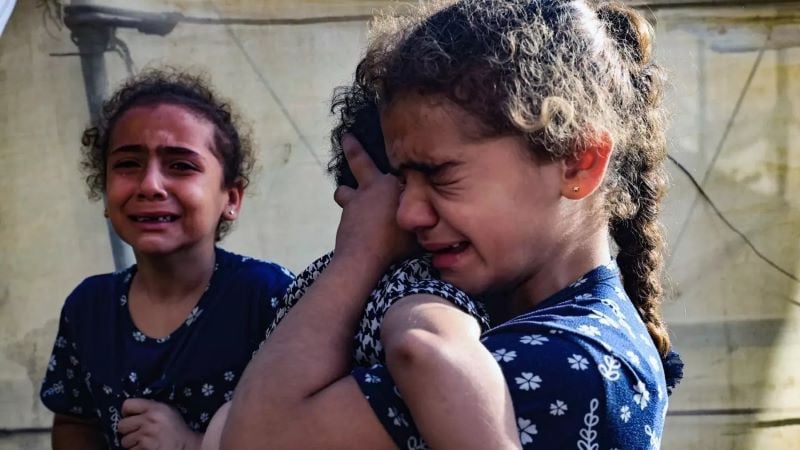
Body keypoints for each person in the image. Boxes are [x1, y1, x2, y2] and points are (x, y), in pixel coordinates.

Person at [222, 0, 683, 448]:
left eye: (441, 174)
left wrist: (359, 255)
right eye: (402, 182)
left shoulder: (560, 365)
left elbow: (255, 438)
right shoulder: (507, 319)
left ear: (576, 163)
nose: (405, 215)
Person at [200, 79, 519, 450]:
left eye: (443, 176)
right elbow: (425, 347)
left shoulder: (318, 280)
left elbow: (230, 417)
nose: (416, 212)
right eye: (408, 183)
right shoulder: (416, 282)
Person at [39, 68, 294, 450]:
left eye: (180, 166)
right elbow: (75, 419)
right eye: (128, 164)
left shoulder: (269, 297)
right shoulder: (88, 308)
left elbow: (305, 426)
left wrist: (190, 443)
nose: (150, 185)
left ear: (232, 198)